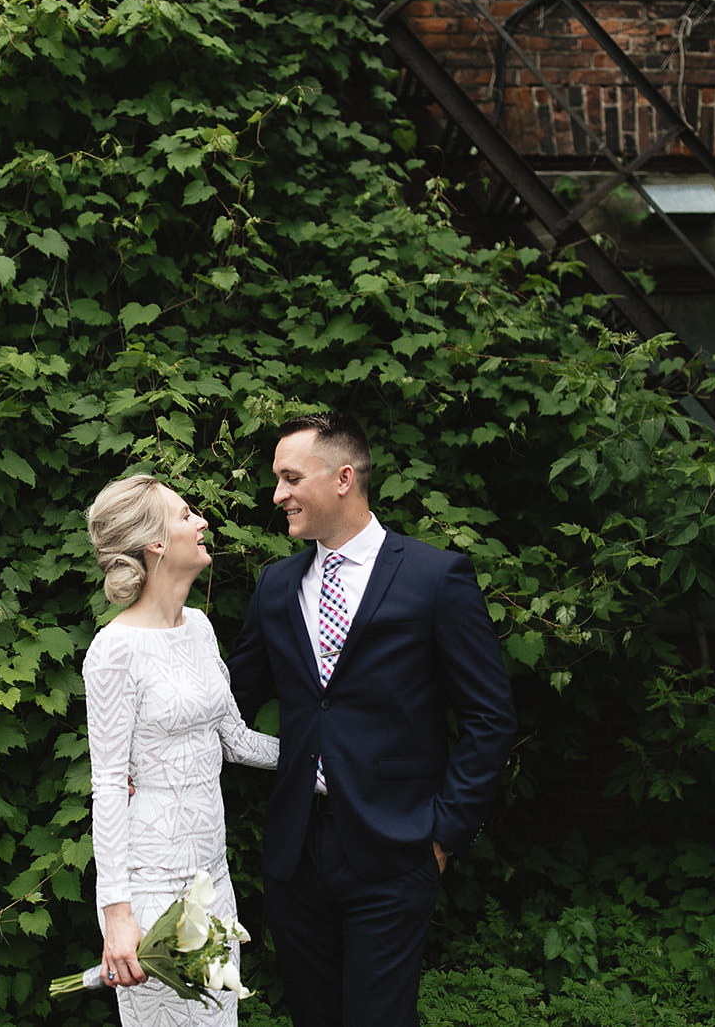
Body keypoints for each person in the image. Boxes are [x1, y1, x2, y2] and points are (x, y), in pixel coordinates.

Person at [228, 412, 516, 1027]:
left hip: (398, 847)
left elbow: (489, 717)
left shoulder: (436, 577)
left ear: (343, 478)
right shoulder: (275, 586)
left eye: (289, 478)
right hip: (296, 851)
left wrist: (442, 835)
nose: (277, 495)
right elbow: (228, 706)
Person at [81, 474, 280, 1026]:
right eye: (187, 514)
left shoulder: (199, 628)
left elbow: (234, 738)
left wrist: (330, 766)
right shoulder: (113, 652)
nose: (203, 523)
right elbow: (107, 786)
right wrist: (117, 915)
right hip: (150, 890)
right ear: (156, 543)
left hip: (211, 881)